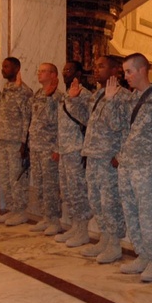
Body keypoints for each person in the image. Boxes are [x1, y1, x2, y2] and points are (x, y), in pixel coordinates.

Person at [105, 53, 152, 282]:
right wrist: (110, 101)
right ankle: (142, 255)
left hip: (147, 167)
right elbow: (116, 126)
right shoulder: (129, 99)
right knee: (131, 213)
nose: (125, 77)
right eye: (124, 72)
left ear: (142, 70)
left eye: (129, 71)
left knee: (149, 215)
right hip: (127, 165)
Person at [73, 56, 126, 263]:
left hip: (108, 158)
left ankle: (114, 244)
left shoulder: (122, 96)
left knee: (109, 202)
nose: (96, 70)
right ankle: (104, 238)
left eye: (101, 66)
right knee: (96, 201)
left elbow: (122, 128)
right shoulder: (96, 95)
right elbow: (87, 123)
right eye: (95, 66)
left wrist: (119, 155)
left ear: (115, 70)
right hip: (93, 156)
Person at [0, 57, 32, 226]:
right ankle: (12, 210)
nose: (4, 69)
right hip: (4, 139)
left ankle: (21, 211)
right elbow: (0, 104)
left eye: (7, 66)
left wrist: (23, 142)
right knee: (6, 178)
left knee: (16, 178)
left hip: (16, 141)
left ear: (17, 68)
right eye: (3, 66)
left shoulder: (24, 90)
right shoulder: (7, 88)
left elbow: (26, 117)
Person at [54, 61, 92, 248]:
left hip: (77, 149)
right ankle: (75, 225)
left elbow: (88, 121)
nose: (65, 73)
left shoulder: (84, 95)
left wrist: (74, 100)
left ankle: (83, 230)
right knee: (68, 191)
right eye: (64, 70)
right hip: (64, 150)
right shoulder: (64, 96)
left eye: (69, 70)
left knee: (78, 190)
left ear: (78, 72)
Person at [27, 63, 62, 234]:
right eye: (38, 70)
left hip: (49, 148)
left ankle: (54, 220)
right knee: (40, 184)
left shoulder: (58, 96)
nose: (39, 73)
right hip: (36, 146)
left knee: (50, 186)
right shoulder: (38, 94)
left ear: (53, 75)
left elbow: (57, 123)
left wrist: (57, 148)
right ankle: (45, 217)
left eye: (43, 71)